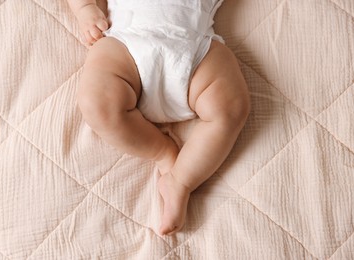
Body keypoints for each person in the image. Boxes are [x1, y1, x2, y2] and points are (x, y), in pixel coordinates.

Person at [67, 0, 250, 236]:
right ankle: (162, 151)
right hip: (127, 42)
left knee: (231, 107)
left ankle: (180, 180)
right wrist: (85, 9)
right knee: (96, 103)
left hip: (195, 48)